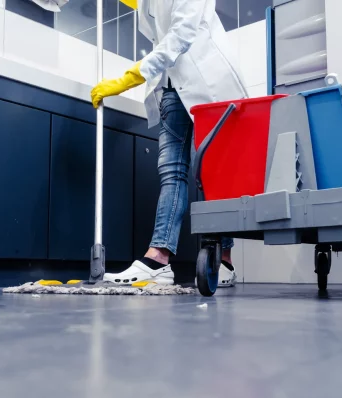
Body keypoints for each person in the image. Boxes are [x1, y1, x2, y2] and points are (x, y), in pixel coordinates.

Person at [90, 0, 248, 286]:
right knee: (170, 170)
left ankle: (224, 260)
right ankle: (158, 259)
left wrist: (132, 76)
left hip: (210, 85)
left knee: (215, 174)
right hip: (172, 87)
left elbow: (182, 34)